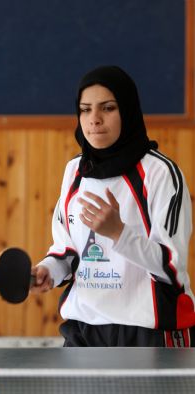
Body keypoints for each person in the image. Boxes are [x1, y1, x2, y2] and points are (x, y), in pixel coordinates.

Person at [31, 65, 195, 347]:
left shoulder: (161, 174)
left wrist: (119, 232)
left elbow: (171, 267)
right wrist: (49, 270)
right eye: (85, 109)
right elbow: (67, 250)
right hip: (85, 330)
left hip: (150, 332)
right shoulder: (74, 172)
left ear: (128, 111)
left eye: (107, 108)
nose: (94, 119)